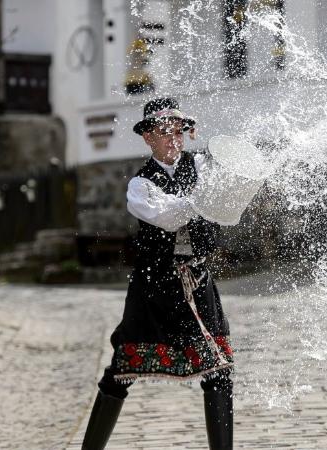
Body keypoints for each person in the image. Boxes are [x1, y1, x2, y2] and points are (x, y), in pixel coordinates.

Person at [81, 98, 234, 450]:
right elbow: (167, 216)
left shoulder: (203, 168)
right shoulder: (140, 185)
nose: (173, 139)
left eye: (179, 131)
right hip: (153, 288)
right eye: (165, 132)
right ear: (148, 137)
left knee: (219, 371)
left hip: (197, 282)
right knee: (121, 370)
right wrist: (201, 199)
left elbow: (226, 206)